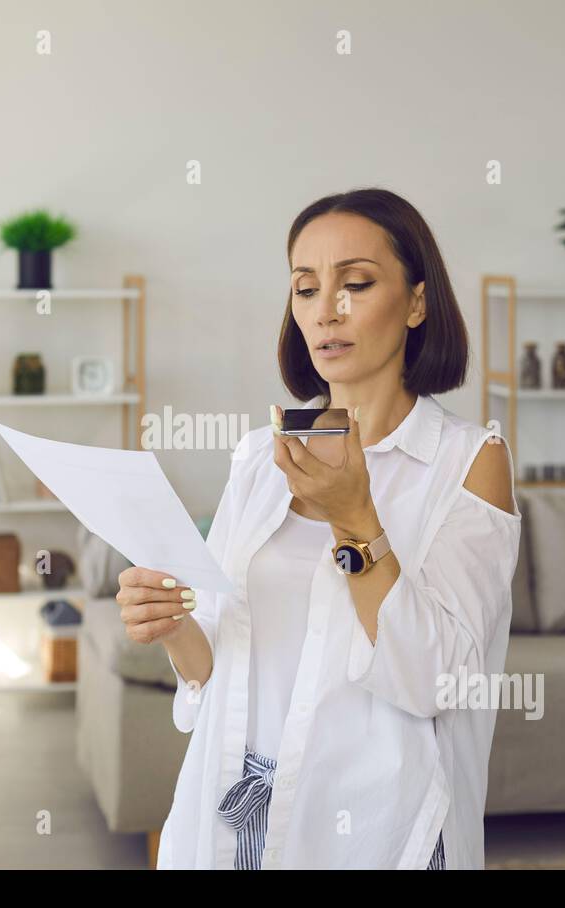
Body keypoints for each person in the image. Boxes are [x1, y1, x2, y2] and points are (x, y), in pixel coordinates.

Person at [114, 187, 522, 869]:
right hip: (237, 817)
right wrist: (171, 623)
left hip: (379, 828)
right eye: (305, 288)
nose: (326, 310)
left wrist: (355, 518)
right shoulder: (256, 457)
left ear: (417, 303)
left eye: (355, 283)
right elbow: (213, 666)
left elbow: (436, 683)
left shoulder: (469, 462)